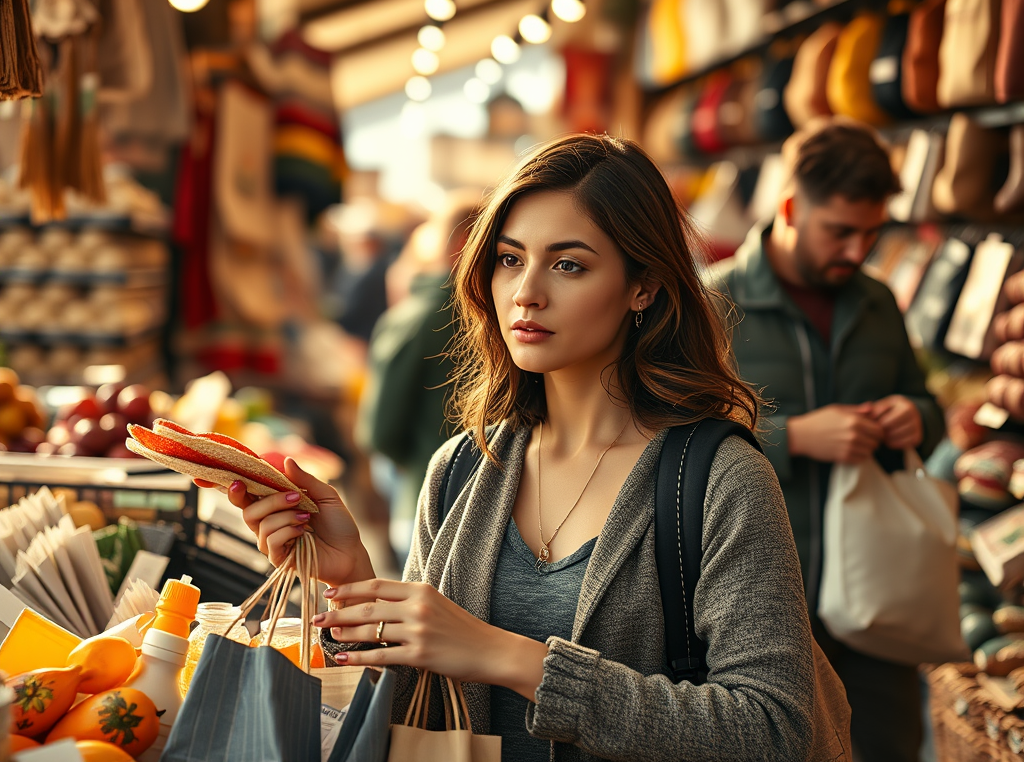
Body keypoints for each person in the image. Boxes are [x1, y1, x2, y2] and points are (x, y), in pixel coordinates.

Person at [213, 134, 844, 761]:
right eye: (511, 259)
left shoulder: (719, 479)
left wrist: (510, 657)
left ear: (643, 286)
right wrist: (352, 582)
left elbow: (774, 729)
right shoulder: (462, 468)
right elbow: (416, 709)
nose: (526, 292)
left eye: (568, 264)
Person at [707, 119, 945, 762]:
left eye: (872, 233)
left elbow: (928, 404)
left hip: (877, 590)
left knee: (890, 745)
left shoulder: (877, 302)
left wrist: (916, 417)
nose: (858, 249)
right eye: (840, 231)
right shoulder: (711, 304)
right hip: (758, 598)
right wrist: (792, 438)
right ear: (789, 208)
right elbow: (663, 440)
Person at [355, 190, 481, 561]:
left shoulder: (416, 317)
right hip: (491, 508)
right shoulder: (498, 316)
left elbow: (379, 431)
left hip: (424, 499)